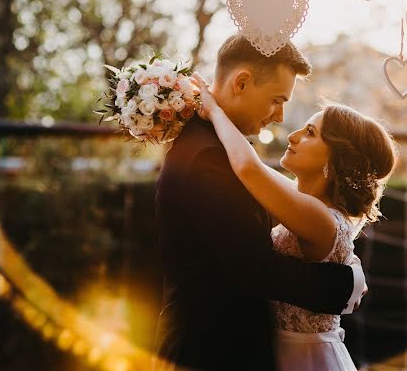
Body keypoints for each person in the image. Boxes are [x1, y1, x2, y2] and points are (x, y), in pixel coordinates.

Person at [154, 34, 367, 370]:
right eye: (276, 100)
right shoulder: (207, 158)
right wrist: (344, 284)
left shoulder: (214, 146)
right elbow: (256, 269)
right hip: (211, 353)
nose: (281, 117)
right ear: (242, 83)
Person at [192, 71, 397, 371]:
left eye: (310, 133)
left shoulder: (321, 219)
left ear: (333, 160)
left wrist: (214, 110)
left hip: (305, 360)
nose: (293, 135)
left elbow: (248, 167)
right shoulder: (307, 205)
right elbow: (255, 169)